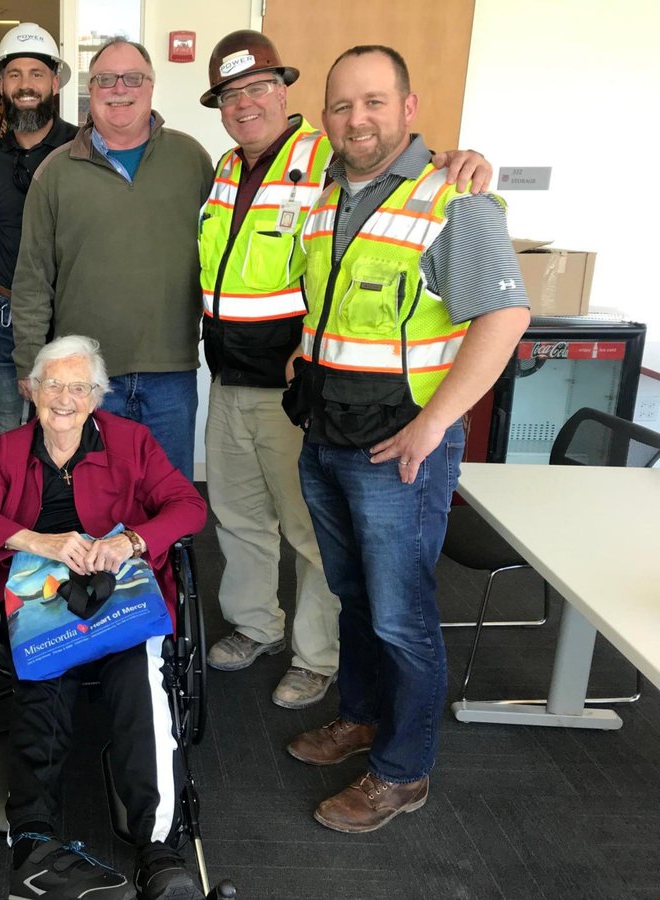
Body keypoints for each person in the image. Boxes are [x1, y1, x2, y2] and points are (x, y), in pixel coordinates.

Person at [196, 31, 494, 710]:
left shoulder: (325, 157)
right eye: (229, 95)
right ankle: (255, 626)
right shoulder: (222, 168)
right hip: (229, 378)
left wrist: (458, 160)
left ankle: (316, 656)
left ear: (284, 91)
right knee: (238, 517)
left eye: (257, 88)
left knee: (308, 532)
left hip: (299, 388)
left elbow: (388, 161)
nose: (244, 105)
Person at [283, 46, 530, 833]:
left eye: (374, 102)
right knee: (354, 596)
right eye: (342, 105)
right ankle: (361, 716)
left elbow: (505, 318)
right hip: (328, 433)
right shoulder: (327, 196)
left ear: (408, 107)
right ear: (325, 117)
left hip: (402, 450)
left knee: (402, 615)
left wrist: (435, 422)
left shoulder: (453, 200)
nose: (357, 119)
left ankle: (403, 770)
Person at [0, 335, 208, 900]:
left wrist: (132, 543)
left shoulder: (132, 442)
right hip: (37, 596)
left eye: (78, 387)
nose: (64, 399)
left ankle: (158, 850)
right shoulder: (12, 447)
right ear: (32, 390)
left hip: (117, 597)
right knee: (41, 674)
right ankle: (36, 846)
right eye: (52, 385)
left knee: (139, 682)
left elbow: (189, 506)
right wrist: (39, 541)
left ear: (96, 397)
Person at [12, 38, 214, 480]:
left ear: (151, 87)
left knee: (168, 500)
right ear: (90, 89)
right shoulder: (57, 171)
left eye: (133, 78)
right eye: (105, 78)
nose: (119, 88)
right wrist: (30, 358)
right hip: (84, 377)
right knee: (90, 505)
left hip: (170, 374)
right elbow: (32, 276)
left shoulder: (192, 160)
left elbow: (220, 257)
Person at [0, 23, 78, 437]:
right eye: (15, 74)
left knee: (67, 432)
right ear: (2, 84)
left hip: (69, 315)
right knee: (8, 433)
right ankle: (17, 504)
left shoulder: (82, 151)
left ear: (54, 82)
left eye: (36, 74)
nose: (26, 84)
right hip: (3, 319)